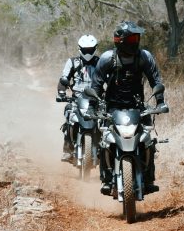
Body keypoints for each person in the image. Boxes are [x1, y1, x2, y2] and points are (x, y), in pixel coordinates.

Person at [91, 20, 168, 195]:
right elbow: (96, 84)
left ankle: (148, 179)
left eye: (137, 37)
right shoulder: (107, 58)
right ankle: (107, 178)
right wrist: (92, 106)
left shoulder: (144, 57)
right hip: (112, 108)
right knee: (106, 141)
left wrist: (160, 101)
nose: (136, 41)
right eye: (132, 38)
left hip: (138, 106)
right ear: (121, 40)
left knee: (148, 140)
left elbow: (155, 80)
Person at [56, 34, 100, 162]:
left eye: (90, 49)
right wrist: (61, 93)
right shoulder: (72, 62)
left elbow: (109, 79)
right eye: (85, 50)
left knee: (105, 121)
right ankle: (68, 150)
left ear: (95, 48)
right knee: (69, 118)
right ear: (80, 48)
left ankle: (104, 149)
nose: (88, 52)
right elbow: (64, 79)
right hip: (76, 99)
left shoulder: (100, 62)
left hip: (96, 99)